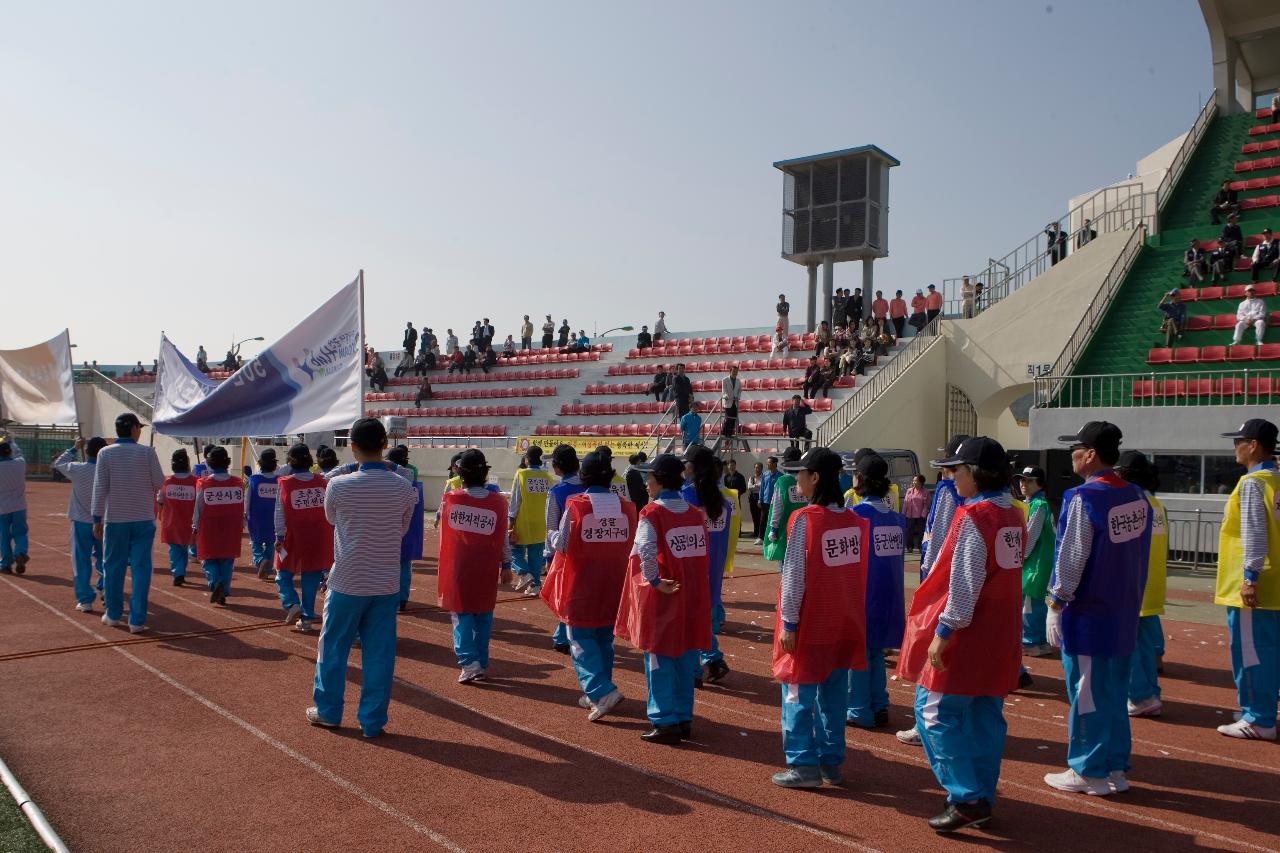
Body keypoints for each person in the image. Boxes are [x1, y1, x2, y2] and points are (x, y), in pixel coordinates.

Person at [896, 436, 1025, 832]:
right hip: (1000, 631)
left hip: (968, 632)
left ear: (975, 473)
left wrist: (944, 631)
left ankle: (967, 796)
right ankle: (981, 793)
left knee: (933, 712)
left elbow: (965, 584)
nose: (951, 478)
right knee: (986, 714)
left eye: (956, 471)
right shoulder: (1015, 515)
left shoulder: (975, 517)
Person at [1043, 421, 1151, 795]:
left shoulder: (1083, 497)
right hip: (1123, 610)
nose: (1071, 454)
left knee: (1087, 692)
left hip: (1089, 613)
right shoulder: (1137, 496)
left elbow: (1072, 557)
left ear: (1089, 454)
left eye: (1075, 448)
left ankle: (1088, 769)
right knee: (1114, 692)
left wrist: (1055, 602)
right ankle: (1115, 767)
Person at [308, 418, 417, 736]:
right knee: (380, 654)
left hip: (347, 580)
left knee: (333, 647)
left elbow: (331, 518)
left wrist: (342, 471)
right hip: (385, 583)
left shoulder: (338, 485)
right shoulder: (404, 486)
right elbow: (402, 527)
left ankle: (328, 710)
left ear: (352, 447)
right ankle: (372, 721)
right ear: (385, 445)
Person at [769, 447, 869, 787]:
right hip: (842, 623)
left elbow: (795, 574)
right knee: (834, 697)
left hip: (811, 623)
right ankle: (830, 762)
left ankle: (802, 764)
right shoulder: (855, 521)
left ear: (815, 478)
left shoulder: (806, 520)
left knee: (797, 693)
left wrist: (789, 622)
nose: (796, 480)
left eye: (800, 473)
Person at [614, 453, 711, 744]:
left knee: (659, 659)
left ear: (660, 480)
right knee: (685, 656)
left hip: (664, 594)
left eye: (649, 477)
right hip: (692, 595)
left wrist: (655, 581)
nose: (645, 483)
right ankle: (683, 718)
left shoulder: (652, 513)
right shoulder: (695, 513)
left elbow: (645, 549)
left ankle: (664, 720)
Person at [541, 450, 639, 719]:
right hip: (613, 584)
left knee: (581, 642)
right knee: (604, 639)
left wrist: (550, 535)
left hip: (581, 584)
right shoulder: (627, 508)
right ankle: (597, 693)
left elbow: (561, 544)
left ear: (584, 476)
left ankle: (601, 689)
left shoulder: (577, 505)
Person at [1213, 418, 1280, 740]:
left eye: (1238, 441)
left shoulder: (1253, 483)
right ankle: (1259, 710)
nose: (1235, 447)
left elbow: (1254, 534)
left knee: (1252, 652)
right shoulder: (1276, 481)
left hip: (1256, 587)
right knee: (1269, 650)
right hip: (1275, 585)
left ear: (1253, 445)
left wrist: (1250, 577)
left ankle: (1259, 717)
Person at [437, 449, 513, 683]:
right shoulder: (499, 502)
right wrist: (507, 564)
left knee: (461, 614)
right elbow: (504, 538)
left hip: (459, 566)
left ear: (461, 474)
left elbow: (440, 523)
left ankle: (469, 662)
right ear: (485, 474)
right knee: (483, 614)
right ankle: (479, 659)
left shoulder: (452, 498)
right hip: (486, 566)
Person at [845, 453, 906, 731]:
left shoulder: (857, 516)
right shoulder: (897, 519)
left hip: (863, 597)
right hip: (890, 598)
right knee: (875, 654)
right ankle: (879, 704)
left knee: (857, 654)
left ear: (862, 480)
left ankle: (859, 709)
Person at [91, 414, 165, 633]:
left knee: (113, 567)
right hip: (143, 519)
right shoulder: (147, 452)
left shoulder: (105, 453)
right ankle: (137, 619)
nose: (140, 430)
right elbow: (160, 483)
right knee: (142, 569)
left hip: (115, 519)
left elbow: (100, 488)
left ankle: (113, 614)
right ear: (133, 429)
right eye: (139, 427)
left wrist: (96, 518)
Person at [1114, 451, 1167, 719]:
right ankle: (1150, 694)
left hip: (1135, 582)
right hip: (1153, 583)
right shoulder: (1155, 503)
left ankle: (1140, 694)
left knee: (1130, 644)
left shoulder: (1131, 502)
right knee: (1144, 643)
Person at [680, 446, 733, 686]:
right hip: (714, 570)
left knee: (689, 621)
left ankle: (694, 671)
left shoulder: (686, 497)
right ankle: (712, 659)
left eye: (686, 463)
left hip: (692, 568)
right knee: (701, 618)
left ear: (694, 467)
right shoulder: (723, 502)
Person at [271, 444, 331, 631]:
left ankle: (291, 603)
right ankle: (306, 618)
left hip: (292, 535)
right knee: (311, 577)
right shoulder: (322, 481)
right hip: (318, 535)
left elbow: (279, 512)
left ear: (290, 461)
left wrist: (279, 536)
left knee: (282, 573)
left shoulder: (285, 483)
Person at [52, 437, 108, 606]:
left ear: (87, 451)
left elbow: (58, 463)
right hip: (104, 521)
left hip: (80, 521)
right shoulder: (108, 471)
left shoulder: (77, 468)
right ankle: (107, 589)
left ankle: (84, 600)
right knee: (106, 558)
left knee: (81, 560)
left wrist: (75, 448)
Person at [545, 445, 587, 651]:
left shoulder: (557, 492)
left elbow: (551, 526)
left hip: (565, 551)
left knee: (565, 593)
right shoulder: (588, 486)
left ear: (558, 466)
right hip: (590, 548)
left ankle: (564, 637)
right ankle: (562, 635)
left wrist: (548, 554)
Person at [192, 446, 245, 607]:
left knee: (209, 558)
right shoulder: (238, 482)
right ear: (227, 462)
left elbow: (198, 506)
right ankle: (224, 589)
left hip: (210, 526)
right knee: (227, 560)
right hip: (231, 526)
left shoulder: (204, 483)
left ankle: (216, 583)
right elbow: (241, 505)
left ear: (209, 463)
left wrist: (195, 525)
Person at [1014, 466, 1056, 659]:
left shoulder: (1039, 505)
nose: (1024, 484)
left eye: (1029, 480)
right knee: (1031, 602)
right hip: (1033, 563)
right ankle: (1035, 640)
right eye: (1022, 480)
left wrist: (1018, 559)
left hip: (1036, 564)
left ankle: (1035, 642)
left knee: (1030, 604)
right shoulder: (1031, 503)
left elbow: (1030, 537)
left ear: (1039, 483)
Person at [510, 446, 553, 594]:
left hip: (524, 519)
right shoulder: (547, 476)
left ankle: (523, 573)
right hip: (541, 522)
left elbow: (515, 499)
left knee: (513, 550)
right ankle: (535, 585)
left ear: (527, 459)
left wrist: (511, 519)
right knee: (535, 555)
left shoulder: (521, 474)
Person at [386, 446, 424, 611]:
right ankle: (402, 598)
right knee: (404, 565)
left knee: (388, 566)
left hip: (390, 530)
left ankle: (390, 598)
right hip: (411, 530)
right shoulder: (413, 483)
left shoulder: (389, 484)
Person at [154, 447, 196, 589]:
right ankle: (180, 571)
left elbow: (160, 500)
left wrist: (160, 514)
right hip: (188, 522)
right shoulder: (195, 482)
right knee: (184, 547)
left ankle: (178, 572)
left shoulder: (166, 482)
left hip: (171, 521)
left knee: (174, 548)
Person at [764, 447, 805, 562]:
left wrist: (773, 529)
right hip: (804, 527)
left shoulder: (782, 482)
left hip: (786, 528)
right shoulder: (806, 479)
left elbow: (777, 507)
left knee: (786, 562)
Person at [245, 448, 281, 580]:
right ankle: (267, 567)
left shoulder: (254, 479)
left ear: (260, 463)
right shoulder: (280, 480)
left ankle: (260, 560)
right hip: (274, 517)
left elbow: (247, 498)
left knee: (256, 542)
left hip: (256, 516)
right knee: (271, 543)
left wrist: (245, 513)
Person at [755, 456, 780, 546]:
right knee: (762, 520)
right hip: (765, 501)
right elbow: (762, 488)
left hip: (775, 503)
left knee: (773, 521)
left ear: (774, 464)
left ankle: (772, 537)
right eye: (767, 462)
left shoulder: (780, 476)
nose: (767, 464)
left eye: (769, 463)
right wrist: (759, 499)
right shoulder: (765, 474)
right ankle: (760, 538)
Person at [903, 474, 928, 554]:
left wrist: (923, 514)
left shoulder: (925, 492)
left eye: (915, 480)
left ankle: (920, 547)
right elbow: (905, 503)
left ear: (920, 482)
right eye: (913, 480)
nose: (914, 482)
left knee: (921, 532)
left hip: (921, 515)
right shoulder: (909, 490)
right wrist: (903, 513)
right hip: (910, 514)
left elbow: (926, 504)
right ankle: (909, 546)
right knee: (909, 531)